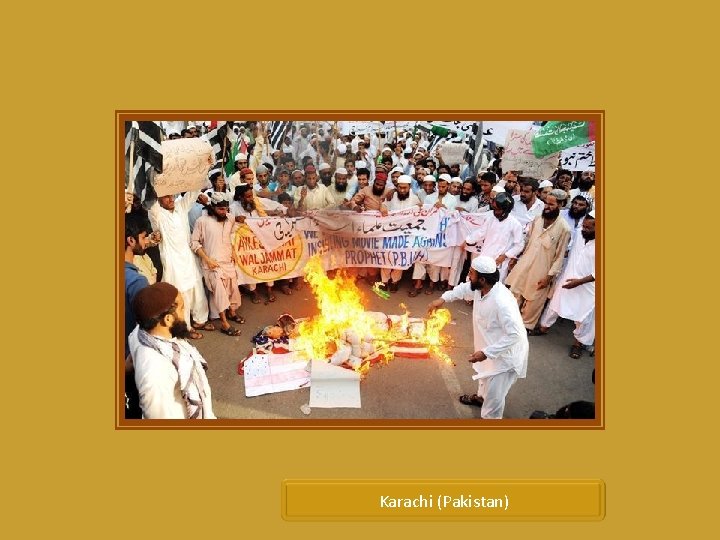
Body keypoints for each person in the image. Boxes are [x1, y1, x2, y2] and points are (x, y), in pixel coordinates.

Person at [428, 256, 528, 419]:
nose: (468, 276)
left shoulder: (501, 302)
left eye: (471, 273)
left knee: (494, 398)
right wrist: (442, 299)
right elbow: (463, 289)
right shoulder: (481, 287)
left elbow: (515, 335)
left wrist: (487, 353)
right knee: (484, 376)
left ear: (482, 279)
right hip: (488, 347)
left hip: (505, 358)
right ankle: (481, 398)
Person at [128, 282, 216, 419]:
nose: (185, 313)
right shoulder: (155, 372)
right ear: (168, 319)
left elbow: (129, 362)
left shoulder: (139, 332)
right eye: (182, 308)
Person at [148, 191, 211, 338]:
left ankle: (200, 320)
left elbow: (193, 192)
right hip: (173, 263)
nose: (170, 199)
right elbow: (151, 203)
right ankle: (186, 328)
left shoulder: (180, 207)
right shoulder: (157, 214)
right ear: (159, 199)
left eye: (172, 195)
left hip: (189, 258)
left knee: (197, 291)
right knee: (181, 296)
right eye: (166, 196)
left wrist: (199, 174)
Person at [505, 193, 571, 331]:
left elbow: (559, 256)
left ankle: (525, 327)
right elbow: (527, 240)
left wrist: (549, 277)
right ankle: (509, 322)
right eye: (546, 203)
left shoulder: (564, 229)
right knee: (515, 293)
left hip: (542, 270)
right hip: (525, 262)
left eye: (551, 204)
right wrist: (516, 258)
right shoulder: (537, 219)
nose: (547, 207)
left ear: (560, 205)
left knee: (533, 300)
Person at [535, 211, 596, 359]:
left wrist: (578, 282)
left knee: (584, 318)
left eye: (588, 228)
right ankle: (543, 328)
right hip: (567, 278)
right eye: (584, 226)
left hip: (588, 287)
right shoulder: (579, 235)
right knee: (554, 306)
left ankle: (578, 344)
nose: (584, 229)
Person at [190, 197, 244, 336]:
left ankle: (232, 313)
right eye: (220, 209)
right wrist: (207, 259)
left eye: (225, 209)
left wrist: (233, 252)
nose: (223, 212)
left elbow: (230, 236)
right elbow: (194, 243)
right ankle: (224, 324)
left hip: (228, 262)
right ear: (213, 207)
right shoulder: (202, 221)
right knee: (219, 293)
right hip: (212, 265)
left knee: (233, 289)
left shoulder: (229, 218)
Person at [124, 214, 150, 419]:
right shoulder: (136, 282)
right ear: (131, 241)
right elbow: (149, 329)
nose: (146, 241)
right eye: (143, 237)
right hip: (129, 362)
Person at [465, 192, 523, 283]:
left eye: (498, 210)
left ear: (505, 210)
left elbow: (519, 245)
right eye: (494, 209)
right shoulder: (491, 218)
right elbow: (481, 233)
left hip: (499, 262)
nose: (495, 212)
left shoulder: (515, 224)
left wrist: (505, 256)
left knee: (493, 286)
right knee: (474, 281)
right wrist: (467, 240)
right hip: (485, 256)